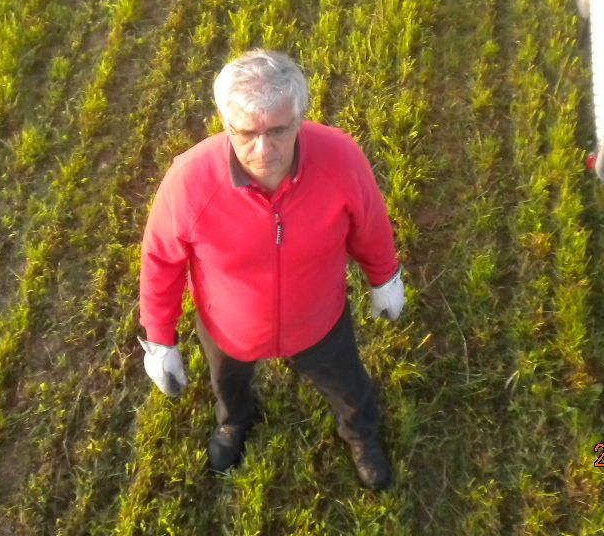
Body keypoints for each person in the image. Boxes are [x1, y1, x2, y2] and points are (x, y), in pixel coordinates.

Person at [137, 49, 405, 490]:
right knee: (229, 384)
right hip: (229, 328)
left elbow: (370, 224)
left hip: (319, 321)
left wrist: (385, 278)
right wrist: (159, 339)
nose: (263, 151)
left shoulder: (340, 158)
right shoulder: (189, 181)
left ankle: (361, 435)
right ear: (225, 124)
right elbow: (160, 262)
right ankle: (234, 422)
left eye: (279, 131)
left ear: (300, 117)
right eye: (246, 134)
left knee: (348, 387)